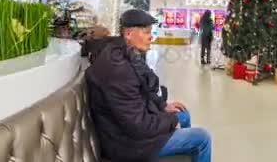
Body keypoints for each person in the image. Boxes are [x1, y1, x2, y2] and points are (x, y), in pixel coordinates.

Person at [86, 9, 211, 162]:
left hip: (130, 131)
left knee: (182, 114)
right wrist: (171, 121)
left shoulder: (124, 53)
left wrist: (162, 105)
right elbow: (138, 126)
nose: (151, 37)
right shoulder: (118, 70)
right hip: (127, 145)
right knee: (202, 138)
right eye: (146, 32)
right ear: (128, 34)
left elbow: (144, 88)